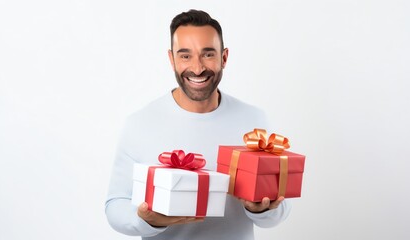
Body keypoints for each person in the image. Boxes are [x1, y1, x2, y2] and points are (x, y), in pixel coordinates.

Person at [105, 9, 291, 240]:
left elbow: (281, 209)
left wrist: (261, 209)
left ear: (224, 57)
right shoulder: (140, 123)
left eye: (207, 54)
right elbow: (115, 204)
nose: (197, 67)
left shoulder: (254, 123)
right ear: (172, 59)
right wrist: (145, 221)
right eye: (185, 55)